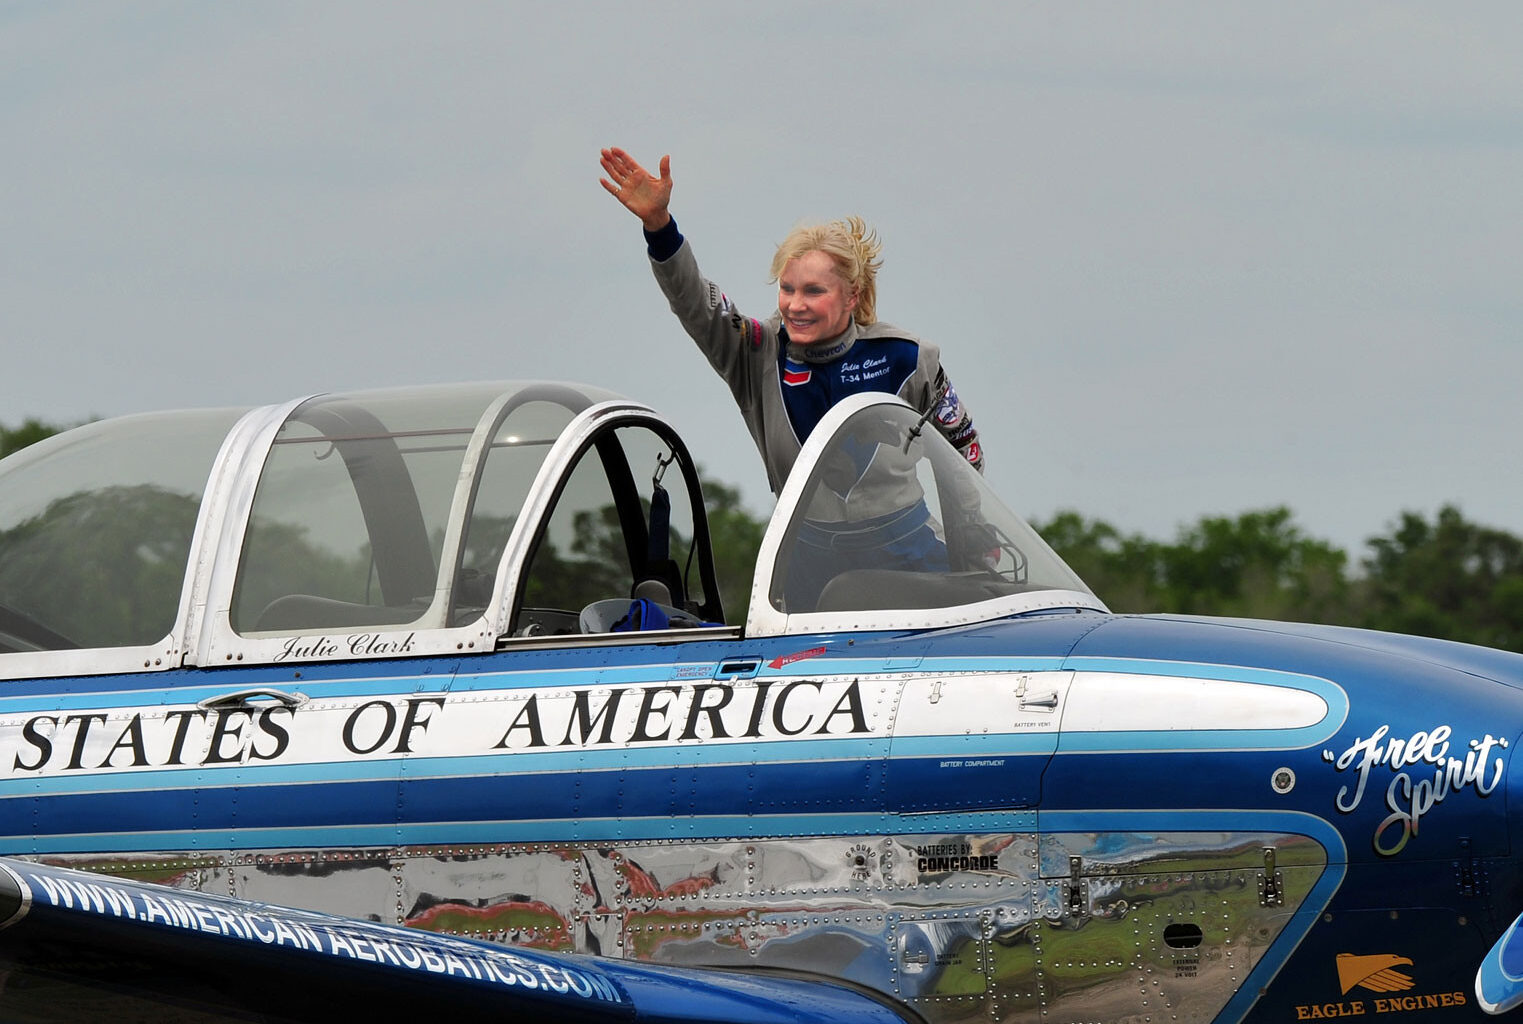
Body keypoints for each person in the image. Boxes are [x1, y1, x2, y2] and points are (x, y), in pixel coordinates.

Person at [599, 147, 987, 609]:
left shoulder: (909, 356)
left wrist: (974, 550)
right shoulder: (756, 351)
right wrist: (660, 229)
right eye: (787, 288)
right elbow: (697, 307)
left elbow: (965, 457)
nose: (795, 305)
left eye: (813, 291)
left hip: (908, 552)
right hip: (805, 564)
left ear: (851, 296)